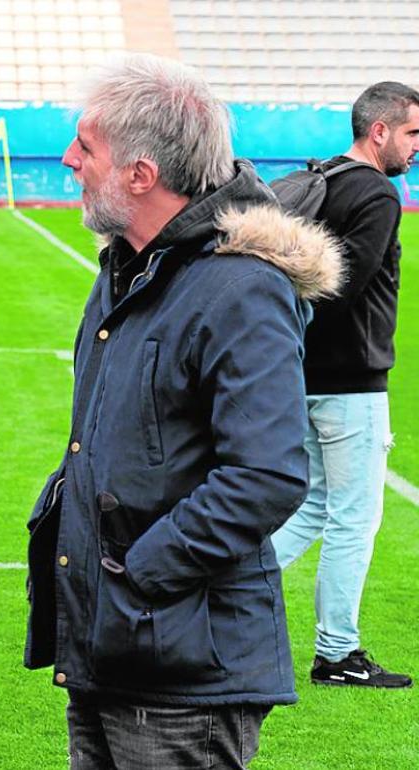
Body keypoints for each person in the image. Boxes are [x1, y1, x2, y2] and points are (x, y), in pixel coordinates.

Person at [24, 55, 343, 769]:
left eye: (87, 146)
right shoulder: (128, 271)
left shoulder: (240, 288)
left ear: (141, 174)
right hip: (112, 645)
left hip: (184, 667)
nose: (69, 159)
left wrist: (140, 573)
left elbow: (265, 474)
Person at [269, 82, 419, 690]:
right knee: (354, 519)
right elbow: (343, 285)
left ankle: (216, 588)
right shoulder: (379, 193)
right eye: (412, 133)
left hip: (303, 373)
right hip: (350, 384)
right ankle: (337, 653)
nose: (418, 146)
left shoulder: (323, 178)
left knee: (314, 506)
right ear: (378, 131)